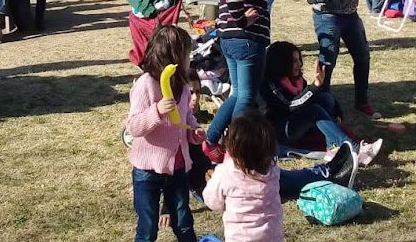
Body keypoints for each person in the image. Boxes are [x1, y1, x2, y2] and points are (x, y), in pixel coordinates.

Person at [203, 0, 271, 163]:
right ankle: (234, 149)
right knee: (246, 97)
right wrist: (242, 20)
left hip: (231, 39)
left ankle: (210, 140)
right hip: (246, 40)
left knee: (237, 94)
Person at [126, 25, 202, 242]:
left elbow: (186, 117)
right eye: (187, 53)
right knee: (148, 227)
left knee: (184, 221)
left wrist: (193, 130)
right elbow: (133, 127)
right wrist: (157, 111)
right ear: (174, 56)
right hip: (147, 170)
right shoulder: (146, 85)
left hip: (178, 168)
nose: (190, 58)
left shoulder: (183, 86)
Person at [262, 41, 382, 164]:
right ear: (281, 64)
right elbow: (289, 105)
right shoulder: (270, 85)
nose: (299, 64)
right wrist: (314, 87)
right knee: (314, 110)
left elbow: (312, 98)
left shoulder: (297, 80)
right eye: (294, 61)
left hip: (299, 124)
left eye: (299, 60)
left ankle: (333, 146)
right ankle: (355, 150)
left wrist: (337, 113)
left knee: (325, 98)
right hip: (282, 131)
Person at [202, 111, 281, 242]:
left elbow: (213, 202)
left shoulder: (226, 172)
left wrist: (211, 181)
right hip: (272, 237)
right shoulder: (273, 171)